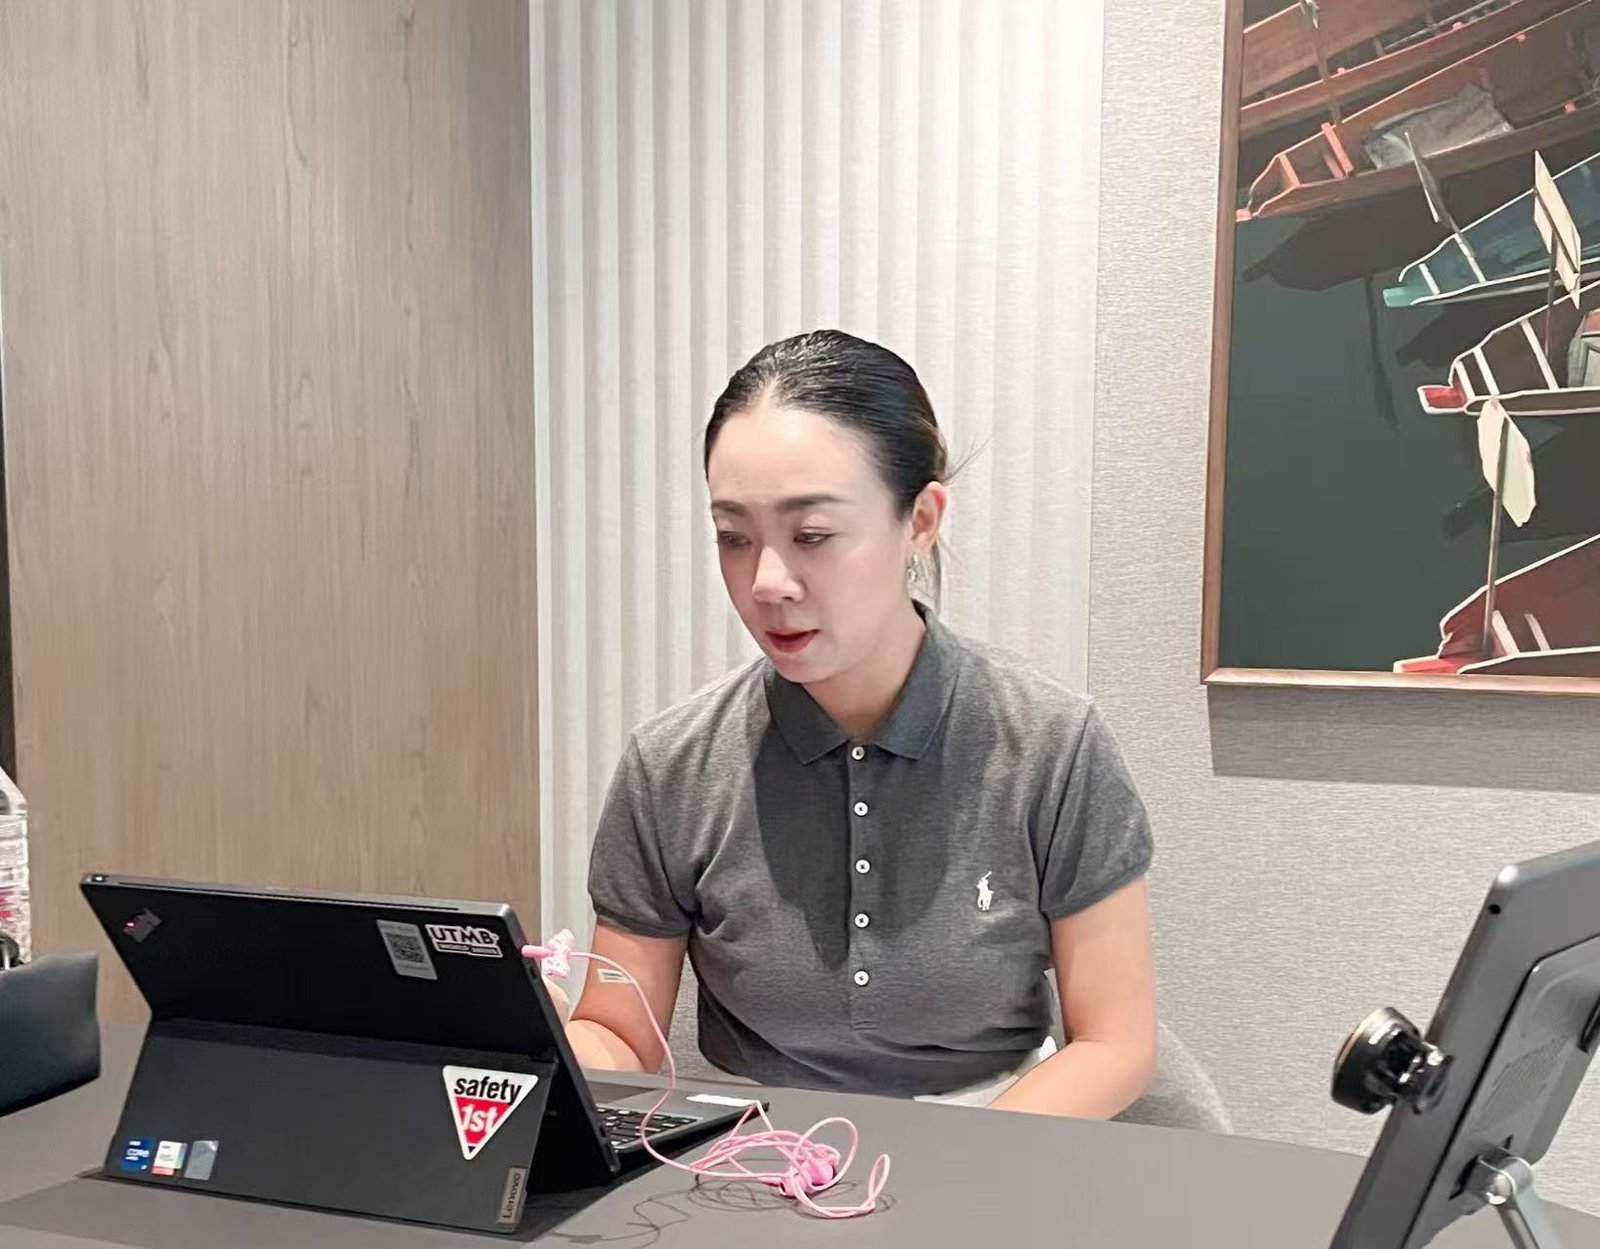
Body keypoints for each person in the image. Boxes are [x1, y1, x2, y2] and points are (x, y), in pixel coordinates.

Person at [554, 329, 1156, 1116]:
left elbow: (1113, 1043)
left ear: (921, 520)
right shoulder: (670, 766)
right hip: (756, 1144)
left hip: (997, 1134)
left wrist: (953, 1168)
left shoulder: (1054, 747)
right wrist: (541, 1040)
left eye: (812, 535)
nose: (767, 581)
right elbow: (621, 1036)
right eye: (734, 537)